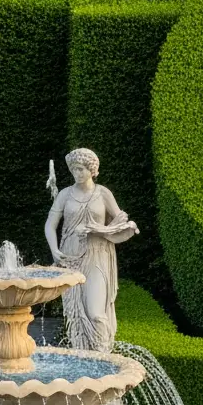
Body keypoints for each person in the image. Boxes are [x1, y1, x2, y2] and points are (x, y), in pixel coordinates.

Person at [44, 148, 139, 351]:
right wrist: (53, 249)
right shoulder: (64, 194)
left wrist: (98, 229)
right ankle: (83, 358)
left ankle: (103, 358)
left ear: (92, 170)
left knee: (96, 313)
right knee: (76, 314)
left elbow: (121, 220)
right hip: (70, 257)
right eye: (74, 169)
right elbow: (50, 225)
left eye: (81, 169)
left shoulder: (103, 193)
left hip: (98, 256)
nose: (77, 173)